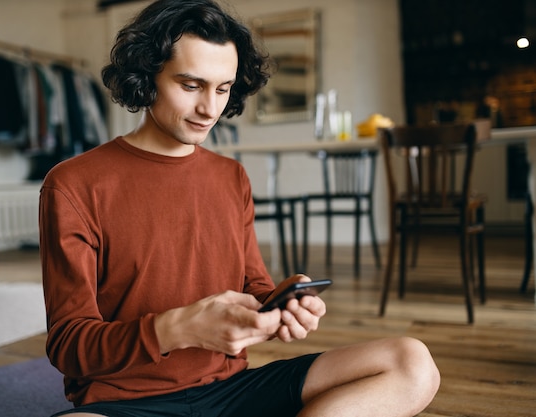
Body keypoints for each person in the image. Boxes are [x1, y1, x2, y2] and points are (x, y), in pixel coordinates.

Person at [39, 1, 440, 416]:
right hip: (125, 404)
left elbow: (255, 289)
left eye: (223, 88)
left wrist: (283, 306)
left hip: (232, 393)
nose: (209, 109)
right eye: (191, 85)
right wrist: (177, 328)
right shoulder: (73, 184)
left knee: (413, 363)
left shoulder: (232, 178)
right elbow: (69, 345)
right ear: (147, 75)